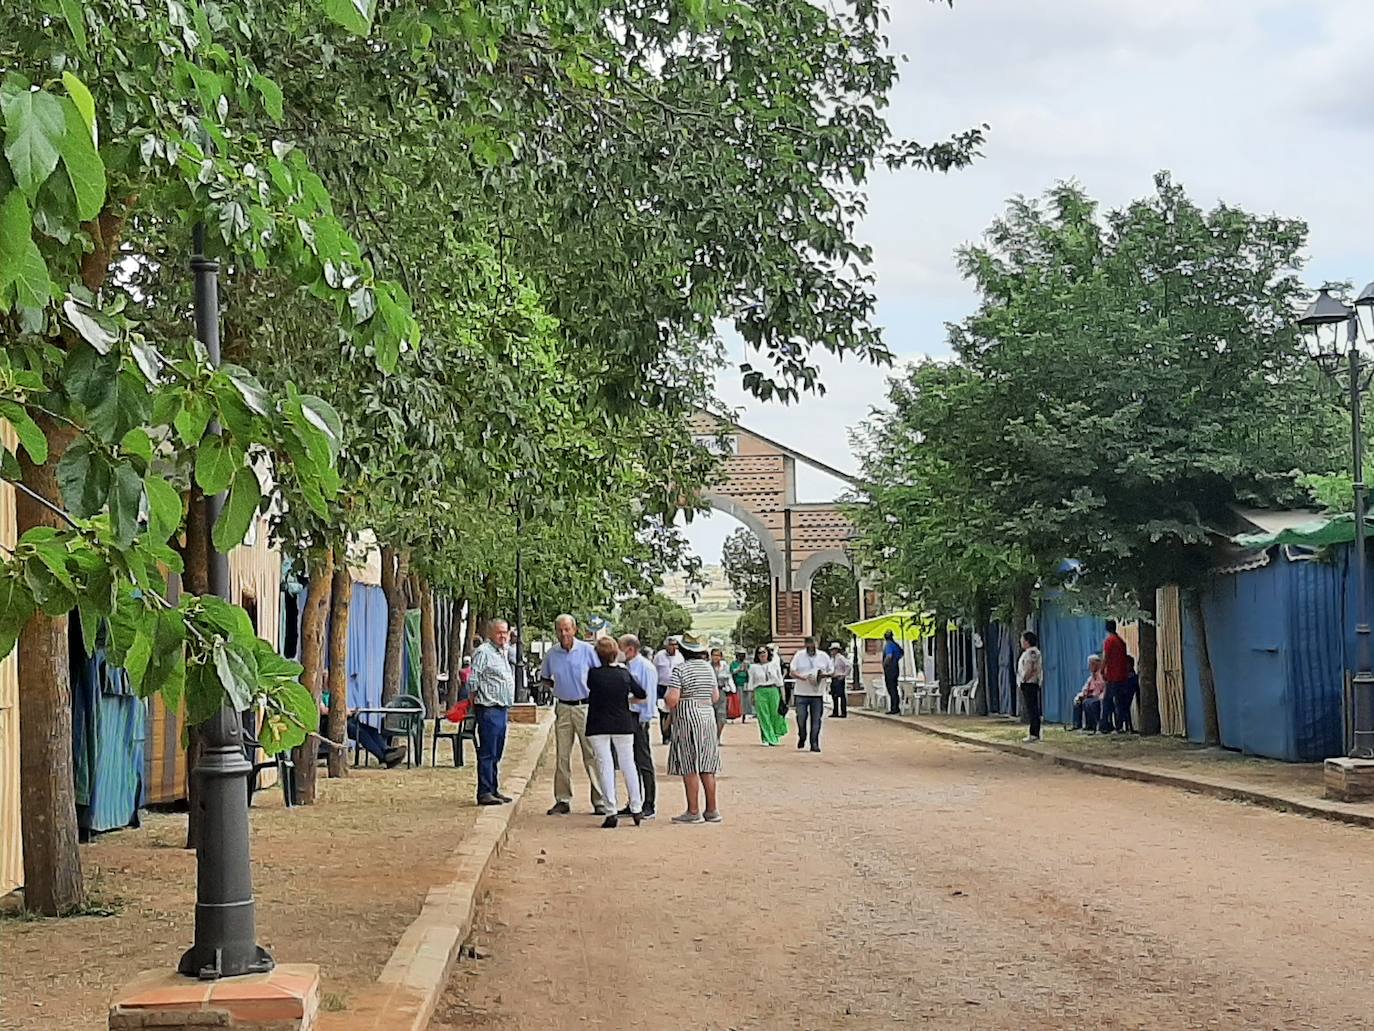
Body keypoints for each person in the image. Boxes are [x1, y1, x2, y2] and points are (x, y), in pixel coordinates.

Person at [540, 614, 610, 815]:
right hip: (563, 707)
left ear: (575, 629)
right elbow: (545, 678)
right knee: (562, 756)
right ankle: (562, 799)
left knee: (592, 755)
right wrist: (559, 688)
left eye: (567, 629)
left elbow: (599, 675)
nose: (564, 634)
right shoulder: (552, 654)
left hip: (585, 707)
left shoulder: (588, 651)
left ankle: (599, 800)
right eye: (560, 630)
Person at [586, 636, 647, 828]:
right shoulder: (624, 674)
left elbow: (591, 689)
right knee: (628, 764)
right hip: (622, 722)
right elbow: (642, 694)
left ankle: (610, 810)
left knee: (605, 765)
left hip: (598, 723)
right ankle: (636, 807)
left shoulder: (593, 674)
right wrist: (627, 701)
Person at [665, 633, 722, 823]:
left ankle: (693, 810)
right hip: (707, 715)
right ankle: (712, 809)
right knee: (707, 764)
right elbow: (715, 697)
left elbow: (672, 698)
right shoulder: (708, 668)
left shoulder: (680, 669)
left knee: (689, 764)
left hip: (687, 715)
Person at [470, 619, 516, 805]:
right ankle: (484, 791)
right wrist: (475, 702)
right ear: (490, 633)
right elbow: (474, 680)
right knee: (488, 752)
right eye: (499, 633)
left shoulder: (501, 652)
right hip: (489, 708)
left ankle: (494, 789)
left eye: (505, 632)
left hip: (501, 708)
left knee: (497, 751)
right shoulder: (484, 652)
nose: (503, 636)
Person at [619, 633, 658, 820]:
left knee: (643, 761)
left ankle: (649, 802)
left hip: (639, 717)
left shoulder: (645, 668)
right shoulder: (627, 667)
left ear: (630, 649)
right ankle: (634, 800)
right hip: (628, 716)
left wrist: (644, 719)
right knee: (631, 761)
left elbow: (648, 697)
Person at [319, 693, 404, 768]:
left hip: (344, 719)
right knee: (361, 734)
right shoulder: (318, 694)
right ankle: (383, 757)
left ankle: (386, 750)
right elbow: (322, 710)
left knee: (372, 730)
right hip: (328, 723)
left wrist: (350, 711)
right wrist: (342, 711)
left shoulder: (332, 693)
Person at [790, 637, 831, 752]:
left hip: (817, 693)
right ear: (806, 645)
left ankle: (814, 743)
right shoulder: (799, 655)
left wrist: (821, 675)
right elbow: (792, 671)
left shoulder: (823, 656)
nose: (811, 648)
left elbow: (831, 671)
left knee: (816, 719)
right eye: (809, 645)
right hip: (801, 692)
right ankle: (802, 736)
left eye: (813, 645)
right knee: (801, 718)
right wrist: (801, 677)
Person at [748, 645, 787, 746]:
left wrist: (783, 697)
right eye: (760, 653)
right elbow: (751, 683)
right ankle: (767, 738)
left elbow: (780, 681)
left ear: (768, 653)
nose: (762, 655)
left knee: (775, 714)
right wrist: (751, 696)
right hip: (760, 691)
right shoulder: (753, 667)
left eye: (764, 652)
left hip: (773, 690)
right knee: (763, 715)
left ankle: (774, 735)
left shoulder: (774, 664)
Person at [652, 635, 684, 744]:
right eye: (671, 645)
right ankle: (665, 736)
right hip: (662, 687)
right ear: (666, 646)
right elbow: (654, 671)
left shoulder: (681, 657)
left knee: (676, 711)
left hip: (675, 687)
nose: (673, 647)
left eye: (675, 645)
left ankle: (675, 735)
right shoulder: (659, 656)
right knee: (663, 712)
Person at [1101, 619, 1130, 733]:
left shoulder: (1109, 641)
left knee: (1107, 701)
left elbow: (1105, 657)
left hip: (1113, 676)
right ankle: (1119, 725)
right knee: (1120, 702)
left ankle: (1105, 725)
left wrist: (1102, 670)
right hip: (1123, 676)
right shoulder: (1121, 641)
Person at [1018, 630, 1043, 743]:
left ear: (1027, 641)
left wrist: (1024, 680)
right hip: (1029, 682)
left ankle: (1034, 733)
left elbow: (1030, 668)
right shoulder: (1029, 652)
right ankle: (1033, 732)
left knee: (1032, 708)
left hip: (1030, 683)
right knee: (1031, 708)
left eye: (1022, 639)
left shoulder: (1031, 652)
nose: (1021, 642)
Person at [1071, 654, 1106, 733]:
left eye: (1092, 664)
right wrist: (1082, 694)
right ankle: (1077, 724)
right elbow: (1086, 687)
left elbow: (1101, 688)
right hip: (1091, 696)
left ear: (1097, 664)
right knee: (1078, 701)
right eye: (1090, 664)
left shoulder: (1101, 675)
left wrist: (1093, 695)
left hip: (1098, 697)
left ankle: (1092, 725)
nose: (1090, 666)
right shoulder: (1091, 676)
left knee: (1089, 703)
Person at [709, 646, 731, 740]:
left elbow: (728, 677)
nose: (715, 657)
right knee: (711, 715)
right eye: (714, 655)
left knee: (721, 716)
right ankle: (711, 737)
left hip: (721, 690)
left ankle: (717, 736)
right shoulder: (707, 666)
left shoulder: (725, 666)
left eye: (717, 655)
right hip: (709, 692)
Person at [882, 630, 904, 715]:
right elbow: (902, 653)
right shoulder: (895, 645)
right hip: (896, 668)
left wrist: (885, 664)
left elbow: (889, 656)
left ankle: (894, 708)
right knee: (894, 688)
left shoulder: (889, 645)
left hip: (890, 669)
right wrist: (897, 658)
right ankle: (895, 706)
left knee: (891, 689)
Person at [828, 642, 851, 718]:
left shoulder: (840, 658)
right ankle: (835, 711)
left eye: (833, 650)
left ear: (836, 650)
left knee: (841, 695)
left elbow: (848, 666)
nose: (831, 652)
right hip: (834, 678)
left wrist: (844, 675)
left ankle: (843, 712)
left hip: (839, 678)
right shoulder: (832, 659)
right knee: (834, 695)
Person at [1119, 653, 1139, 733]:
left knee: (1124, 707)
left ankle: (1127, 726)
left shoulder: (1132, 676)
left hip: (1126, 695)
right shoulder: (1124, 675)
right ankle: (1126, 726)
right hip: (1123, 694)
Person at [730, 648, 750, 721]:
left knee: (745, 700)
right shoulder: (734, 663)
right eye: (740, 655)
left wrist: (747, 670)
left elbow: (750, 673)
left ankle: (745, 715)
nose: (742, 657)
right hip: (737, 684)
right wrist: (739, 669)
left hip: (745, 683)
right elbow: (732, 672)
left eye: (743, 655)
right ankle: (738, 714)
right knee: (738, 700)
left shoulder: (747, 663)